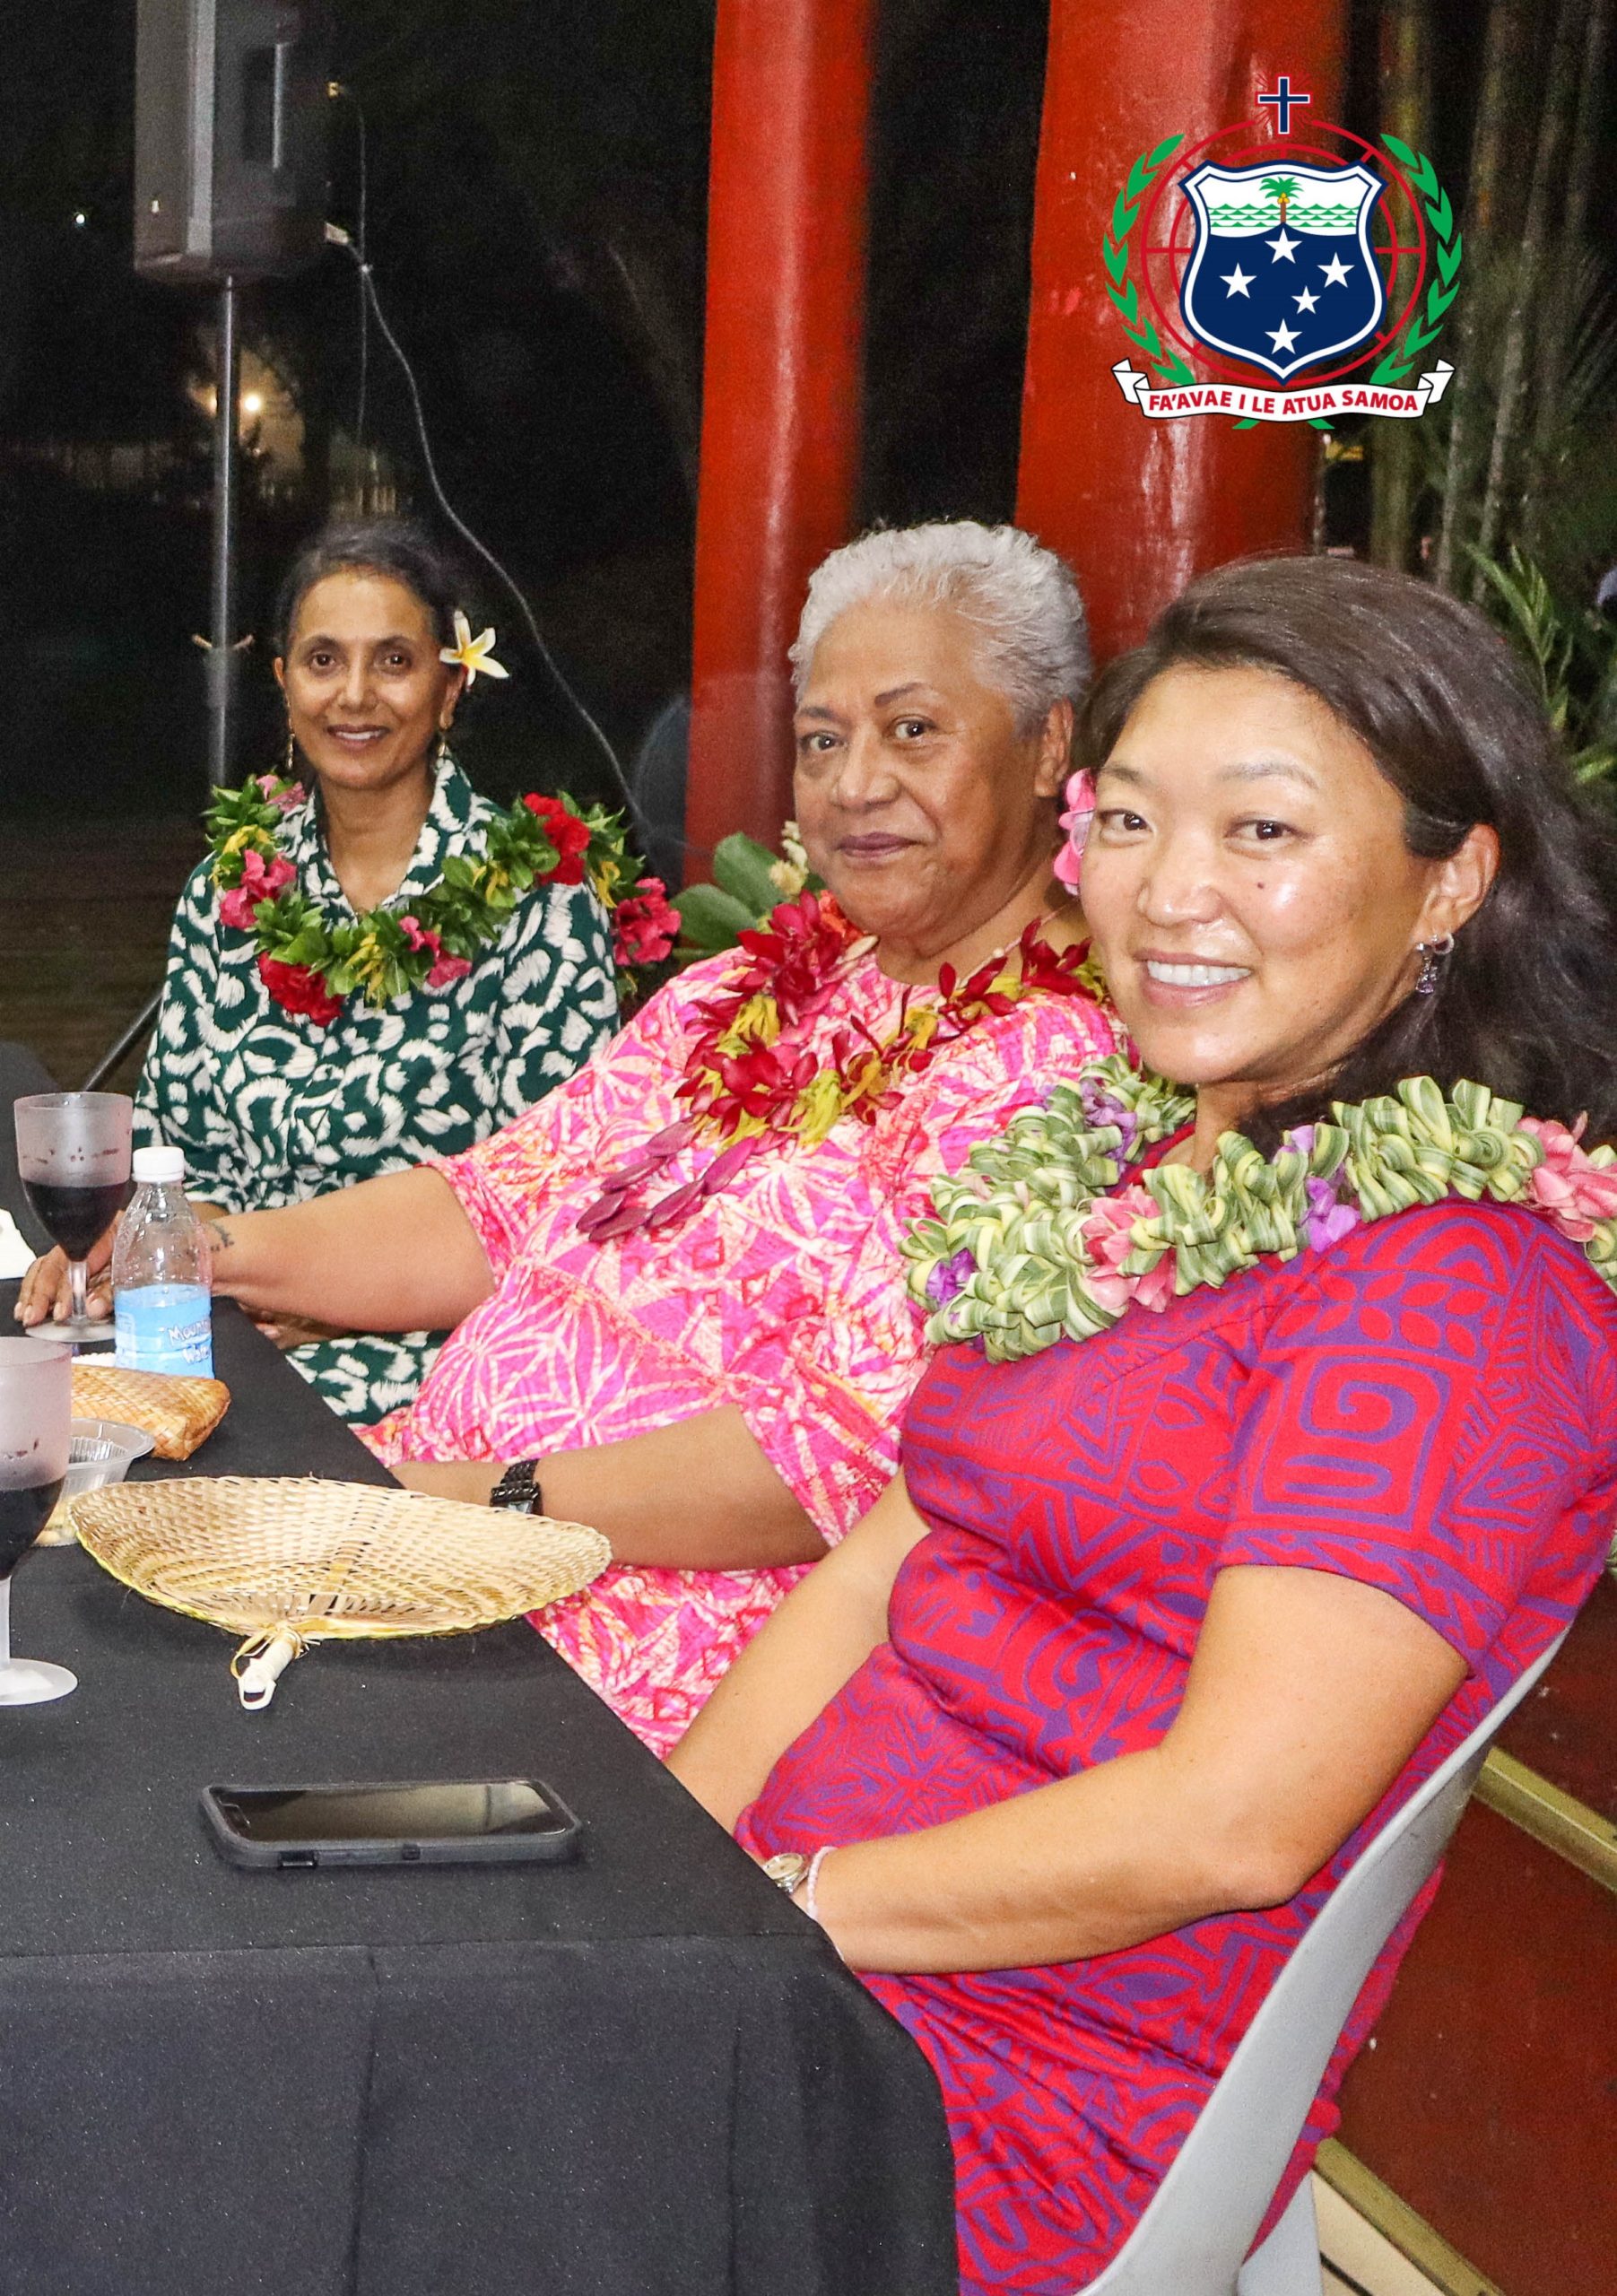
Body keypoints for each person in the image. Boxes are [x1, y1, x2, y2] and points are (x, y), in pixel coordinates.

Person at [667, 555, 1617, 2295]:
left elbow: (1227, 1821)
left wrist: (767, 1911)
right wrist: (663, 1871)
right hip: (781, 1983)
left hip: (981, 2096)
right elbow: (883, 1559)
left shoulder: (1452, 1296)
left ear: (1447, 878)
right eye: (1131, 821)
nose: (1170, 893)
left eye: (1260, 832)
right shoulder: (1119, 1165)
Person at [22, 520, 1122, 1752]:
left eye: (911, 731)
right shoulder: (755, 989)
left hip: (613, 1627)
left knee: (112, 1730)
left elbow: (836, 1459)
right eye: (822, 738)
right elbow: (492, 1203)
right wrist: (199, 1249)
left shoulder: (1059, 1074)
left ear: (1049, 747)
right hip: (417, 1514)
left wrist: (459, 1503)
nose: (856, 782)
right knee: (58, 1600)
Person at [133, 518, 620, 1421]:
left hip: (446, 1357)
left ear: (450, 687)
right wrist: (219, 1299)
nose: (354, 695)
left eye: (394, 661)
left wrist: (323, 1301)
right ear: (282, 686)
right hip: (227, 1331)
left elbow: (557, 1206)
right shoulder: (228, 888)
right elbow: (176, 1150)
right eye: (323, 661)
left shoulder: (538, 895)